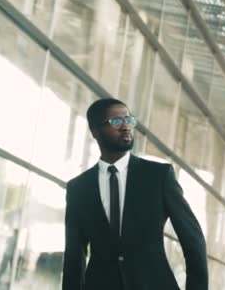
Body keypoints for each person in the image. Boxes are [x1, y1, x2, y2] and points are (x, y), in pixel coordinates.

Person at [62, 98, 208, 290]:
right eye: (116, 121)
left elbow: (193, 240)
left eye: (128, 120)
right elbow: (74, 257)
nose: (125, 127)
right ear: (95, 131)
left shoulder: (159, 176)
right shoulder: (78, 188)